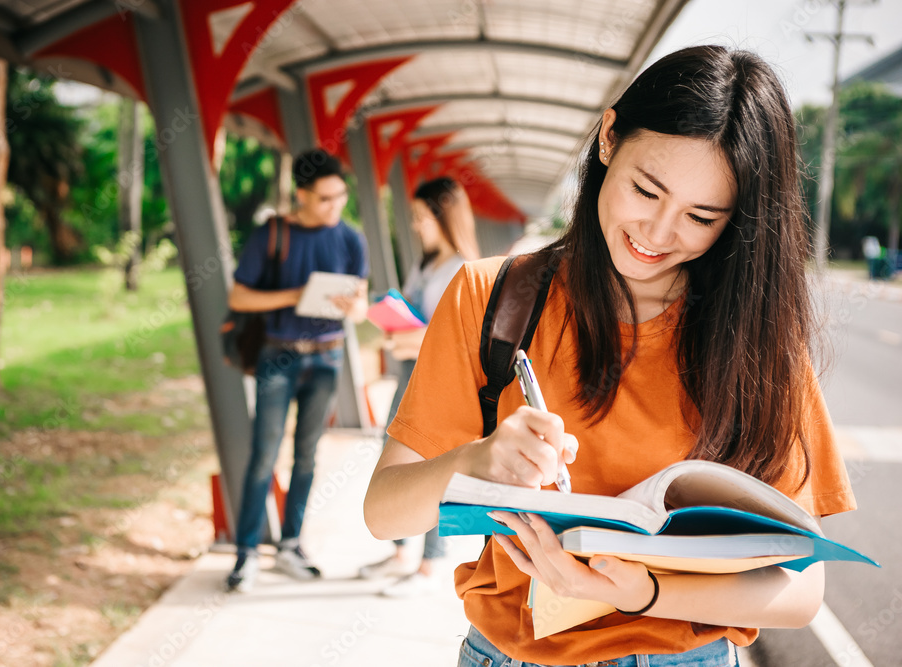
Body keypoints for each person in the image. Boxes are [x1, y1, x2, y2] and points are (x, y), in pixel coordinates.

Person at [364, 45, 857, 666]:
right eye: (646, 190)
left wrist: (647, 592)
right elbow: (384, 514)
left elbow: (801, 590)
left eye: (701, 218)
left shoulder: (759, 345)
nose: (657, 233)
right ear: (608, 138)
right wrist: (478, 460)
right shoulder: (492, 298)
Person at [226, 148, 369, 593]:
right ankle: (246, 553)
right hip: (278, 355)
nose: (334, 206)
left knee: (307, 455)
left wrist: (355, 306)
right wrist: (296, 295)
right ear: (302, 196)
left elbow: (361, 305)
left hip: (327, 355)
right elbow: (239, 299)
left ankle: (291, 544)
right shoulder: (271, 235)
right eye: (324, 199)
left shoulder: (351, 239)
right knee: (263, 455)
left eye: (340, 196)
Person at [358, 176, 481, 597]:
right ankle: (400, 552)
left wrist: (413, 335)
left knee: (434, 465)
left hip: (441, 380)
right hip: (411, 373)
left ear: (442, 215)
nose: (415, 225)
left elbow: (457, 335)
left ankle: (429, 562)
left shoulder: (462, 269)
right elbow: (412, 309)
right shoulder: (427, 263)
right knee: (391, 454)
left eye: (420, 217)